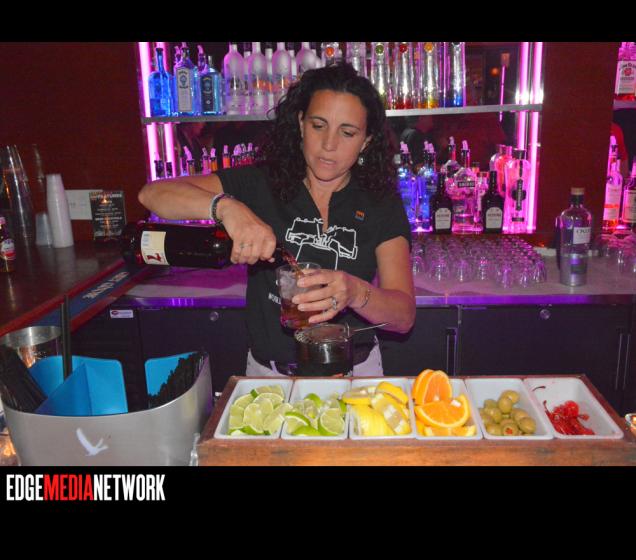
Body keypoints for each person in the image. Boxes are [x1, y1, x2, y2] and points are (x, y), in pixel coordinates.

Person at [138, 63, 416, 377]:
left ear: (366, 141)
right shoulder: (262, 183)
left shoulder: (380, 202)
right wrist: (227, 208)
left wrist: (353, 291)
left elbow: (403, 317)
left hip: (355, 377)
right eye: (318, 126)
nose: (329, 144)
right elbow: (153, 194)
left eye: (347, 132)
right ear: (300, 124)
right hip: (271, 378)